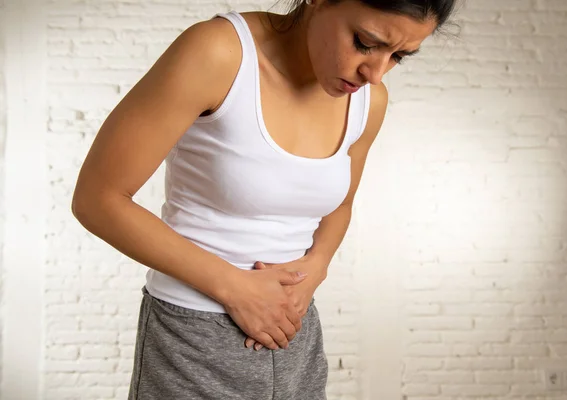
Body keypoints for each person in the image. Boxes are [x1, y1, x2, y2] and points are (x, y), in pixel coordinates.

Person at [72, 0, 455, 398]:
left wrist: (316, 267)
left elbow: (339, 204)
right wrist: (236, 289)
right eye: (364, 42)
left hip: (295, 330)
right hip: (192, 335)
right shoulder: (219, 52)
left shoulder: (368, 100)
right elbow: (98, 199)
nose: (375, 74)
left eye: (400, 57)